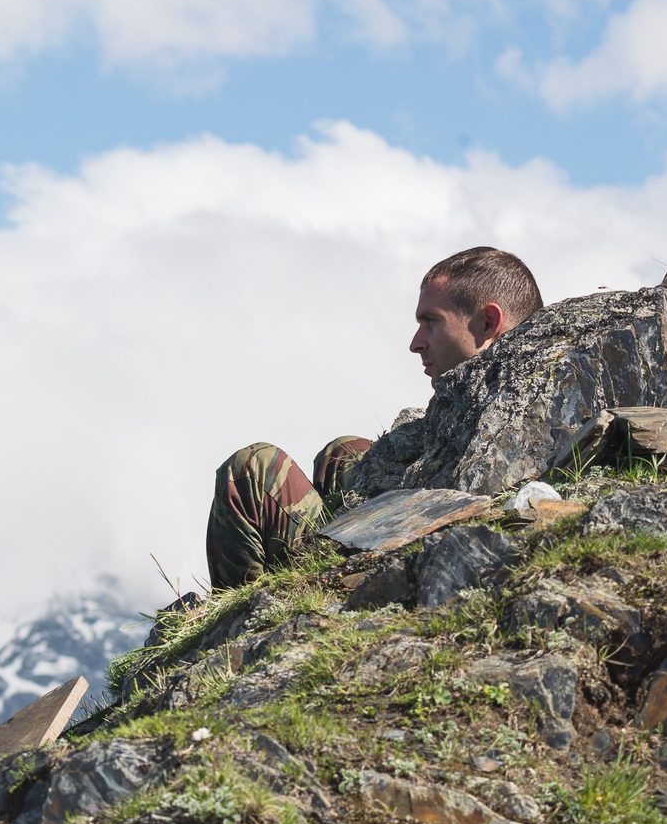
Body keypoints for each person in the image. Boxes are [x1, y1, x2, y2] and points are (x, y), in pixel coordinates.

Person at [204, 246, 544, 589]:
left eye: (431, 322)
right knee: (346, 452)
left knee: (254, 467)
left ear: (487, 322)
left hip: (396, 559)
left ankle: (246, 618)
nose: (416, 343)